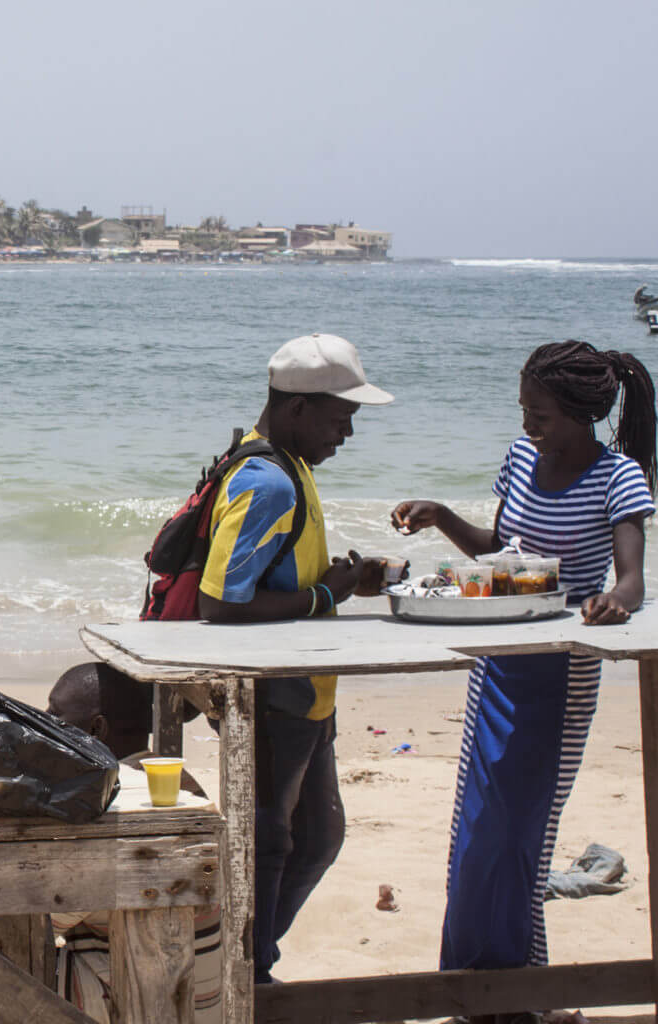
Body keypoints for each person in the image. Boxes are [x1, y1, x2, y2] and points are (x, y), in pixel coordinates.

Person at [392, 341, 654, 1003]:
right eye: (523, 411)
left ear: (581, 414)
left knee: (524, 831)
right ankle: (473, 988)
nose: (527, 425)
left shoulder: (616, 477)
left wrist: (612, 603)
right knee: (478, 827)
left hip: (562, 670)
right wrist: (441, 516)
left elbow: (630, 581)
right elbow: (501, 554)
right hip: (498, 657)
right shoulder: (518, 458)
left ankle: (521, 993)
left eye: (539, 415)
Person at [197, 333, 393, 984]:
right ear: (299, 409)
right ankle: (247, 976)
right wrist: (324, 596)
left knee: (317, 836)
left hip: (308, 692)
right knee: (273, 839)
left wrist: (343, 584)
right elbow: (219, 604)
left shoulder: (292, 464)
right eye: (341, 420)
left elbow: (279, 577)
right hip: (275, 697)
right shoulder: (269, 481)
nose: (347, 435)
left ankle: (243, 965)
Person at [45, 663, 220, 1023]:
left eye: (55, 715)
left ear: (96, 729)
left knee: (2, 952)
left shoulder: (109, 805)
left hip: (150, 1007)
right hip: (201, 1002)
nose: (44, 723)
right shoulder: (178, 784)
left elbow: (42, 919)